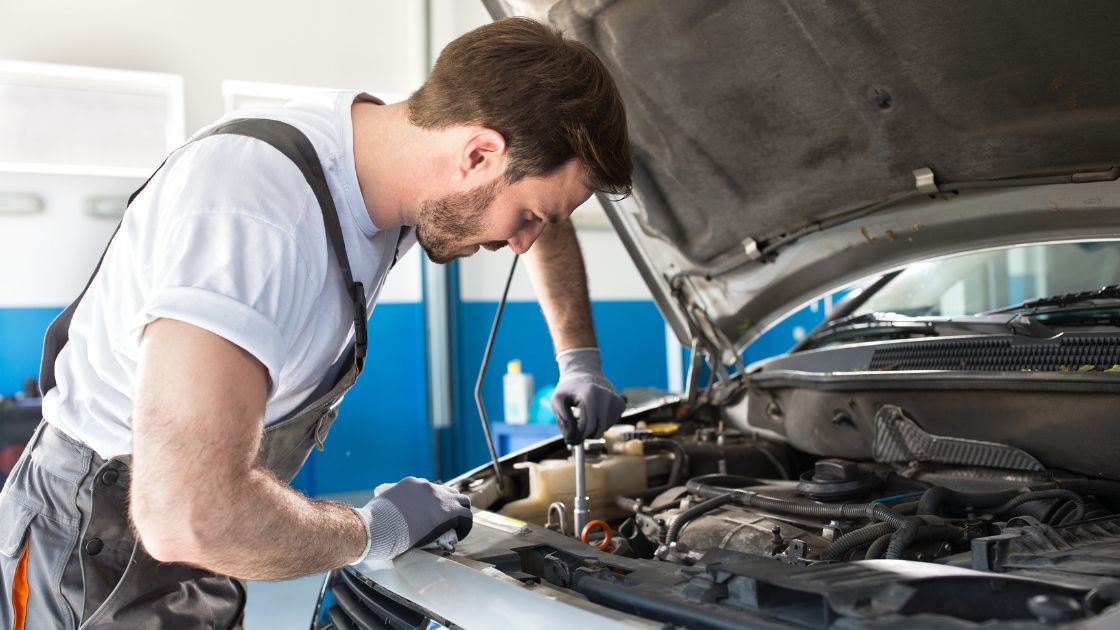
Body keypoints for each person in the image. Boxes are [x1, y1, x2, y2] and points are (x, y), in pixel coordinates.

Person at [0, 17, 632, 628]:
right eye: (528, 216)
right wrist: (371, 529)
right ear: (478, 154)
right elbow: (184, 515)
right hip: (93, 548)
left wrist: (578, 356)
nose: (525, 242)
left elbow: (543, 208)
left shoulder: (404, 169)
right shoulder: (254, 213)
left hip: (203, 531)